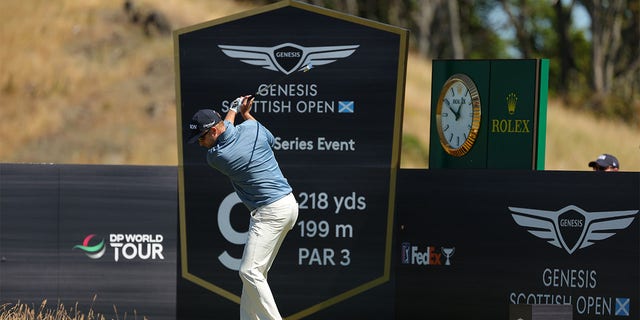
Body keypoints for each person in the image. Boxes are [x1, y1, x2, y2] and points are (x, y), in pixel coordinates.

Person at [186, 95, 299, 320]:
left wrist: (234, 109)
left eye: (200, 138)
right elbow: (269, 139)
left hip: (270, 213)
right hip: (288, 205)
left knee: (249, 272)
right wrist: (243, 112)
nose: (199, 143)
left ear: (213, 132)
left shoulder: (217, 156)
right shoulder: (253, 128)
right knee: (257, 276)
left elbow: (227, 124)